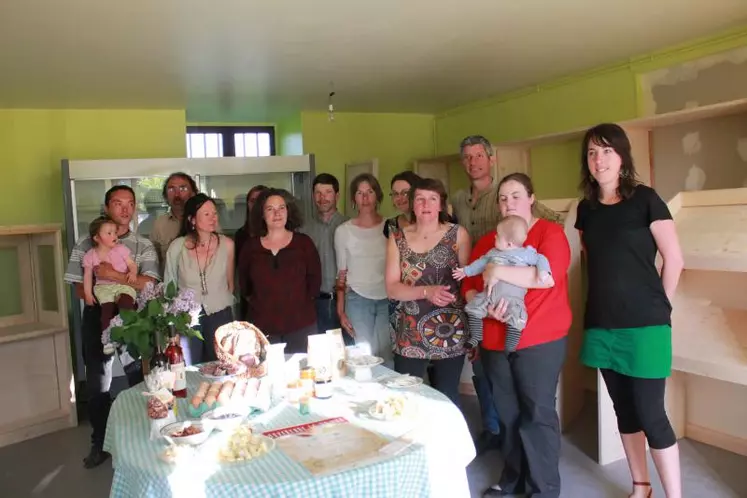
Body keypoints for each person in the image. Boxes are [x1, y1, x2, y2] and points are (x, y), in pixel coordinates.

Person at [575, 123, 684, 498]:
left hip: (646, 325)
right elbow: (593, 262)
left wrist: (661, 305)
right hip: (603, 324)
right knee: (625, 412)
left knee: (653, 416)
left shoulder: (645, 199)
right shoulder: (585, 210)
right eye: (592, 152)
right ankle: (641, 486)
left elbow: (674, 259)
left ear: (622, 157)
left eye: (607, 151)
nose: (599, 159)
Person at [463, 173, 571, 498]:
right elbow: (467, 285)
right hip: (496, 341)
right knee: (508, 415)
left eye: (516, 195)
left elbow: (545, 277)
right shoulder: (488, 241)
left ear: (531, 198)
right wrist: (478, 303)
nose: (509, 202)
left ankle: (543, 490)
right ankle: (513, 481)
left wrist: (496, 272)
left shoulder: (549, 234)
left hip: (539, 340)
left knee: (537, 415)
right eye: (503, 198)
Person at [64, 185, 160, 469]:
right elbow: (80, 287)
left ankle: (145, 436)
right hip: (98, 313)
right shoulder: (86, 243)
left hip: (133, 314)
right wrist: (105, 294)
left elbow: (149, 283)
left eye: (130, 203)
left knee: (138, 377)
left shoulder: (142, 245)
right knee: (98, 381)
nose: (125, 209)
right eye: (118, 203)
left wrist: (114, 276)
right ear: (107, 207)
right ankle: (101, 442)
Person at [385, 178, 471, 405]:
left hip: (450, 330)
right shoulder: (397, 237)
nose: (426, 204)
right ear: (412, 204)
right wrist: (426, 291)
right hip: (409, 330)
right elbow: (392, 288)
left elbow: (469, 282)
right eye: (420, 199)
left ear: (441, 205)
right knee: (407, 397)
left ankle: (449, 441)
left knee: (447, 397)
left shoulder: (458, 234)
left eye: (433, 199)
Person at [238, 188, 321, 353]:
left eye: (281, 208)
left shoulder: (304, 244)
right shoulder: (250, 247)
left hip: (301, 326)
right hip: (262, 329)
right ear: (262, 214)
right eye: (270, 209)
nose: (277, 213)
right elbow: (244, 286)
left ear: (288, 211)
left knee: (301, 375)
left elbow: (314, 284)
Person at [453, 215, 551, 351]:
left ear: (509, 243)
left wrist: (543, 272)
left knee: (516, 319)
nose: (494, 237)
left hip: (513, 298)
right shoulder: (493, 253)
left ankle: (510, 348)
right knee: (473, 308)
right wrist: (466, 271)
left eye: (498, 236)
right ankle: (476, 336)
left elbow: (541, 259)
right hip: (489, 294)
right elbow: (480, 263)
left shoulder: (526, 253)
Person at [164, 193, 235, 365]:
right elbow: (169, 289)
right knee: (188, 368)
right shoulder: (177, 247)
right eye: (206, 214)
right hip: (187, 318)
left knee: (222, 366)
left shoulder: (227, 244)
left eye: (215, 213)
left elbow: (230, 285)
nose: (213, 218)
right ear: (192, 220)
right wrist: (171, 328)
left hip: (220, 315)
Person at [334, 173, 390, 363]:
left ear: (378, 196)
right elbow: (341, 273)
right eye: (360, 193)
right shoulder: (343, 231)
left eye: (370, 192)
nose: (365, 198)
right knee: (364, 357)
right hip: (357, 298)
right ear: (353, 199)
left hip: (387, 298)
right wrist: (341, 311)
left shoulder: (390, 227)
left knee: (387, 355)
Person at [300, 174, 350, 341]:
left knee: (348, 352)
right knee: (320, 355)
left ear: (337, 195)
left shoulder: (349, 226)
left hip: (347, 301)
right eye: (318, 193)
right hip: (315, 303)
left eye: (328, 192)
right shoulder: (303, 230)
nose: (322, 198)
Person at [82, 216, 138, 352]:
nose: (114, 235)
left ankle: (125, 332)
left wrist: (133, 273)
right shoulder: (90, 255)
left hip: (121, 284)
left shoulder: (121, 249)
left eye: (114, 232)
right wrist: (88, 294)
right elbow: (88, 276)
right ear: (96, 238)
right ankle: (107, 339)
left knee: (126, 302)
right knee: (106, 311)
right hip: (103, 287)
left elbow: (132, 264)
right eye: (109, 233)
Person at [150, 172, 198, 272]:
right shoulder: (160, 224)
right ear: (166, 195)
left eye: (183, 188)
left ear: (193, 193)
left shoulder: (205, 220)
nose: (177, 194)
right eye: (171, 189)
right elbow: (153, 262)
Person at [234, 184, 268, 320]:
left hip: (275, 298)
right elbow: (239, 271)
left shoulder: (277, 232)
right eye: (253, 201)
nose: (257, 205)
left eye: (261, 200)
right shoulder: (241, 235)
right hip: (249, 300)